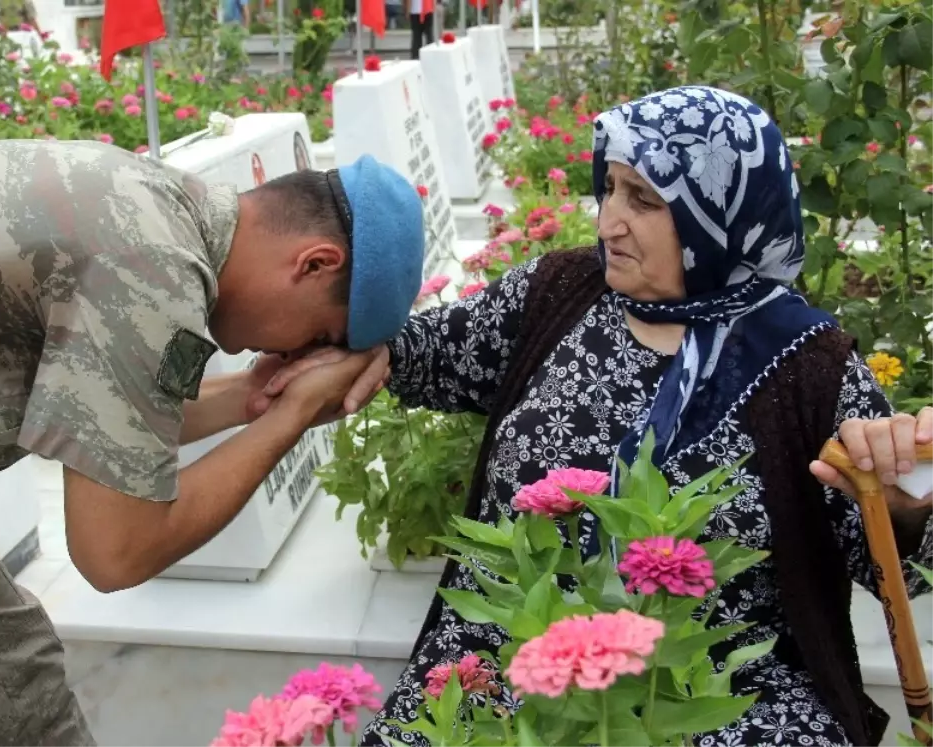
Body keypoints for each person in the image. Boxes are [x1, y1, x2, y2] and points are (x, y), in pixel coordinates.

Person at [264, 86, 933, 746]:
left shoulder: (806, 363)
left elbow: (898, 562)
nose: (609, 220)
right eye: (610, 187)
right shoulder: (564, 290)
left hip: (715, 691)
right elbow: (431, 352)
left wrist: (905, 505)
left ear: (717, 210)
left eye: (643, 198)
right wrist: (332, 348)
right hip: (511, 654)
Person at [0, 140, 423, 746]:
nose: (301, 357)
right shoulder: (150, 265)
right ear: (313, 263)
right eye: (321, 340)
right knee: (10, 677)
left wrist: (254, 399)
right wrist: (289, 417)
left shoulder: (163, 214)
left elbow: (113, 425)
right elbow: (115, 550)